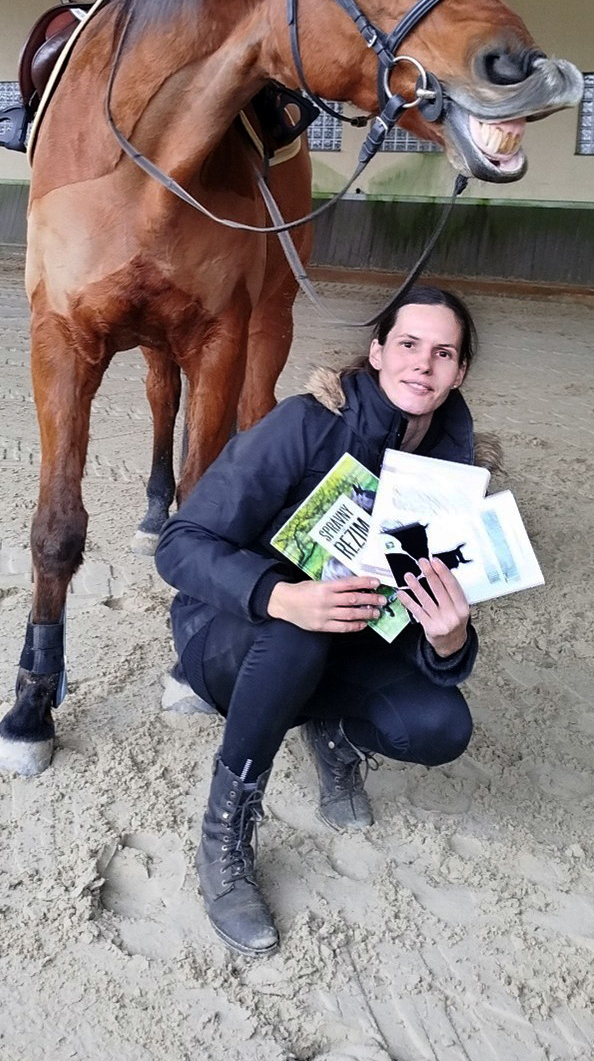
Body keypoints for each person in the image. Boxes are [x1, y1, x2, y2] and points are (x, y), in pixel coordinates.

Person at [155, 285, 497, 957]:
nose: (422, 364)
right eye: (408, 344)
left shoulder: (454, 474)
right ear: (378, 352)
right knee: (301, 630)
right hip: (235, 639)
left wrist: (450, 640)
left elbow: (429, 620)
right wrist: (278, 596)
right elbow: (180, 544)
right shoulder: (306, 424)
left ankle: (332, 732)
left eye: (443, 353)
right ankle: (225, 835)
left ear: (459, 372)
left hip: (352, 646)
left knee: (441, 726)